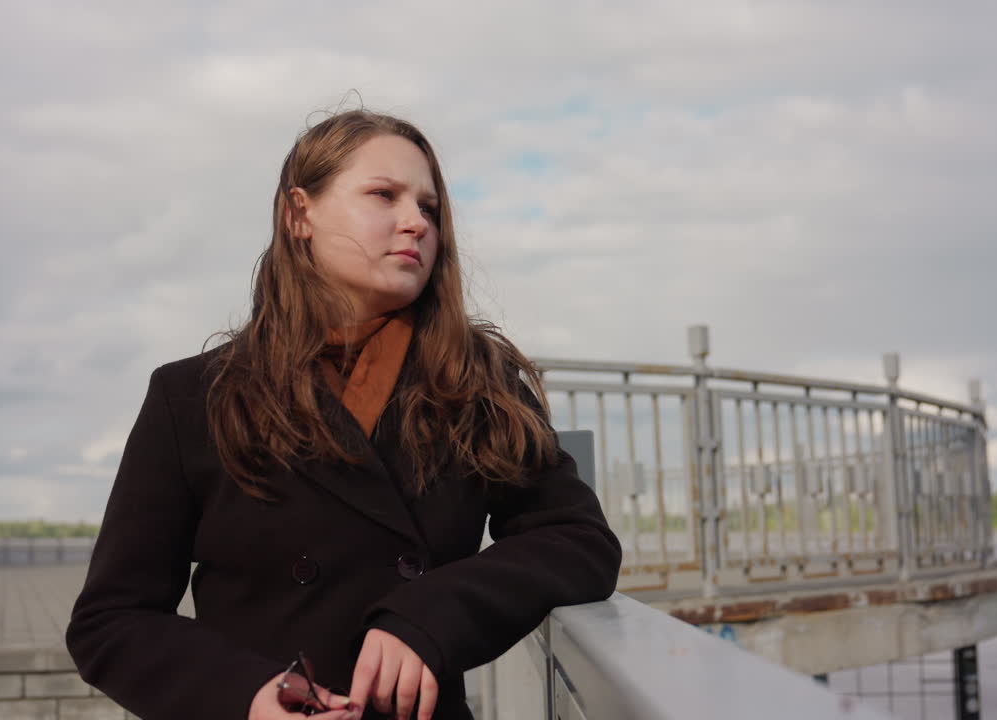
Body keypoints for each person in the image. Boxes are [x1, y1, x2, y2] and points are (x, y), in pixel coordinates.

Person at [65, 108, 622, 720]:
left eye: (429, 208)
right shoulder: (193, 396)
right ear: (299, 213)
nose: (415, 222)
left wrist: (431, 614)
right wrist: (248, 696)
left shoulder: (474, 381)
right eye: (384, 195)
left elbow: (578, 540)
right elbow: (110, 620)